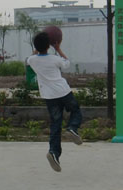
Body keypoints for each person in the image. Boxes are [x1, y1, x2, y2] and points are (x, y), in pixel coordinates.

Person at [27, 31, 82, 172]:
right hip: (63, 92)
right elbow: (67, 64)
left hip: (49, 96)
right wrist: (58, 49)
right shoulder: (55, 59)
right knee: (75, 110)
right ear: (49, 46)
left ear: (36, 46)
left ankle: (53, 153)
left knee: (55, 125)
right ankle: (72, 128)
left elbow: (31, 57)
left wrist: (37, 49)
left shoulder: (32, 60)